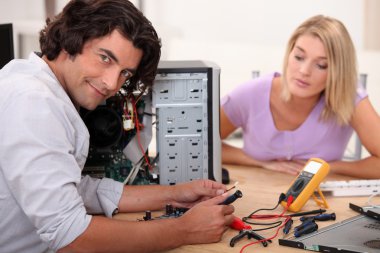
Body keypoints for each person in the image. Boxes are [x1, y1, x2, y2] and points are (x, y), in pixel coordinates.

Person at [0, 0, 235, 252]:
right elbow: (70, 236)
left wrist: (174, 194)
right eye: (105, 58)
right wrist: (184, 230)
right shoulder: (34, 101)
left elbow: (75, 189)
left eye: (125, 73)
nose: (112, 84)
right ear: (71, 40)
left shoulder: (38, 87)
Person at [220, 15, 380, 179]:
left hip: (320, 198)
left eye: (321, 65)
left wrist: (328, 167)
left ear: (338, 72)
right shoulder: (251, 94)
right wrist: (258, 162)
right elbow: (198, 147)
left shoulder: (349, 97)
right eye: (299, 57)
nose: (304, 71)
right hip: (254, 193)